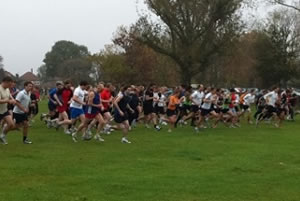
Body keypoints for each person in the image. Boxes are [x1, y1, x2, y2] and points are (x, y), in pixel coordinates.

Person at [0, 77, 16, 145]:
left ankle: (2, 136)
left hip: (4, 110)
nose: (10, 86)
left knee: (11, 124)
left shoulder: (7, 89)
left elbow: (10, 96)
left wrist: (13, 100)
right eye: (9, 84)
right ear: (5, 82)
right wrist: (8, 101)